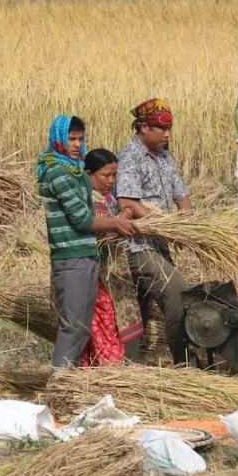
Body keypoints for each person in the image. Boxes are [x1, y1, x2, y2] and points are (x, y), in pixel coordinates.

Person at [38, 115, 135, 369]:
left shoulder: (75, 170)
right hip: (71, 258)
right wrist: (117, 224)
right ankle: (59, 384)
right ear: (59, 139)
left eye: (80, 139)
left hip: (85, 254)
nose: (77, 144)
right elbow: (82, 219)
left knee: (82, 326)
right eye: (71, 138)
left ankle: (71, 383)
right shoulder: (57, 173)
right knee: (74, 326)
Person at [115, 98, 194, 365]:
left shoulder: (164, 156)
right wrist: (166, 223)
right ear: (143, 128)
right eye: (162, 129)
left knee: (141, 307)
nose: (168, 134)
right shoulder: (130, 157)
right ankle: (183, 362)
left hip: (160, 244)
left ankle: (132, 365)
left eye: (170, 128)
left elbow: (181, 195)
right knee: (176, 292)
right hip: (138, 246)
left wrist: (186, 219)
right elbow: (127, 203)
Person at [79, 148, 143, 367]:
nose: (111, 181)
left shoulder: (103, 199)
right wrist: (123, 219)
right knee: (102, 327)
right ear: (89, 174)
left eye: (114, 176)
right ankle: (109, 375)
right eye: (105, 175)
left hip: (106, 278)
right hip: (97, 279)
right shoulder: (88, 199)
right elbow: (102, 231)